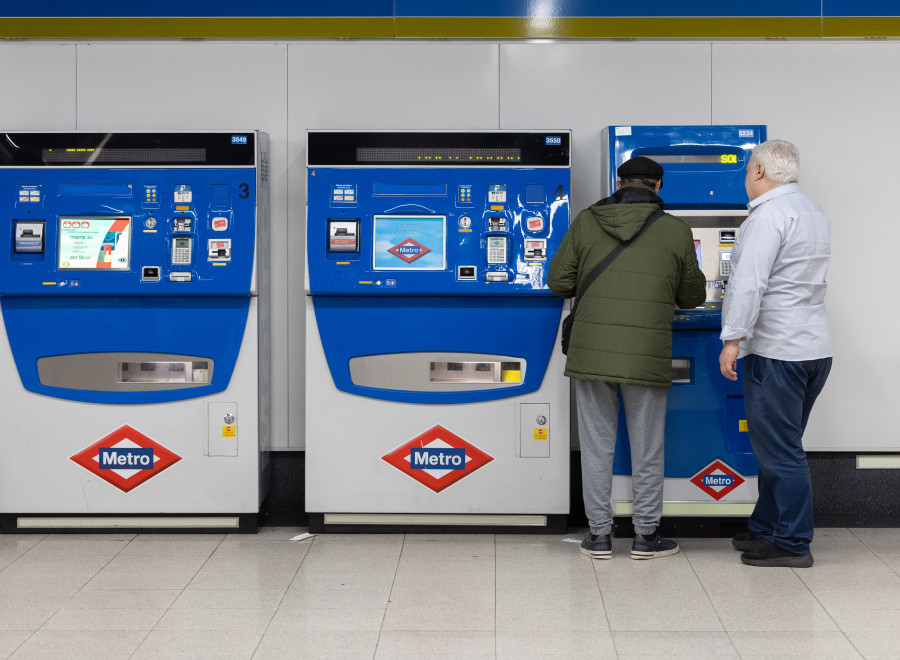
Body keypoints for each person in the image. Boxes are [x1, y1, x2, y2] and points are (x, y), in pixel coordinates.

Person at [548, 156, 706, 560]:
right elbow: (693, 296)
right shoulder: (675, 229)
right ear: (658, 187)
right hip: (645, 353)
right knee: (647, 445)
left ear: (619, 184)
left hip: (591, 350)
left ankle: (599, 536)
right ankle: (645, 538)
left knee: (597, 444)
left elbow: (558, 282)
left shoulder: (586, 221)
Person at [719, 139, 832, 568]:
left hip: (778, 352)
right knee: (779, 445)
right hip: (813, 348)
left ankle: (793, 543)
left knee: (781, 451)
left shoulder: (767, 216)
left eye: (748, 169)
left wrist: (733, 340)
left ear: (761, 171)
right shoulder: (811, 210)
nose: (746, 177)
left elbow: (748, 283)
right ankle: (765, 527)